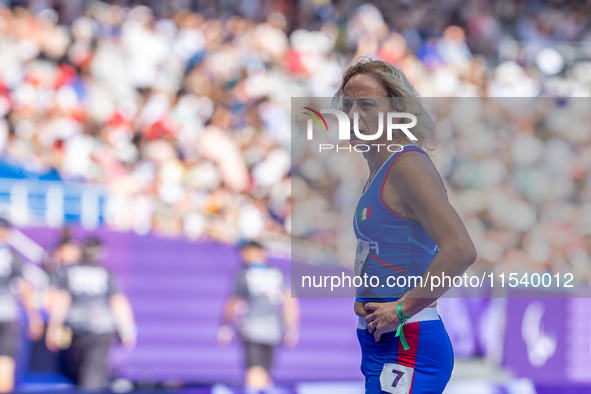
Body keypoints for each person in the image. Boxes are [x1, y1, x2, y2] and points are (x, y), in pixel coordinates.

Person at [336, 58, 477, 393]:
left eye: (367, 104)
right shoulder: (380, 169)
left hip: (407, 339)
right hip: (382, 343)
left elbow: (461, 250)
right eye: (348, 104)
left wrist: (400, 309)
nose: (355, 114)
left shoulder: (407, 164)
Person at [46, 236, 137, 391]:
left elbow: (62, 302)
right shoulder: (105, 273)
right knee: (91, 375)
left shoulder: (71, 272)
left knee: (84, 373)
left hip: (77, 328)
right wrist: (128, 329)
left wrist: (53, 328)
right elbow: (117, 302)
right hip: (99, 329)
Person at [218, 240, 299, 392]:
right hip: (273, 331)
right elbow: (289, 303)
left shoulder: (244, 274)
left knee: (253, 373)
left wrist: (225, 327)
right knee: (265, 373)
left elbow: (233, 303)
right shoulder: (278, 273)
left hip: (252, 329)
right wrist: (292, 328)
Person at [0, 218, 43, 393]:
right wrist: (34, 316)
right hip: (7, 315)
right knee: (5, 363)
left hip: (8, 315)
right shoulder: (11, 257)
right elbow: (23, 288)